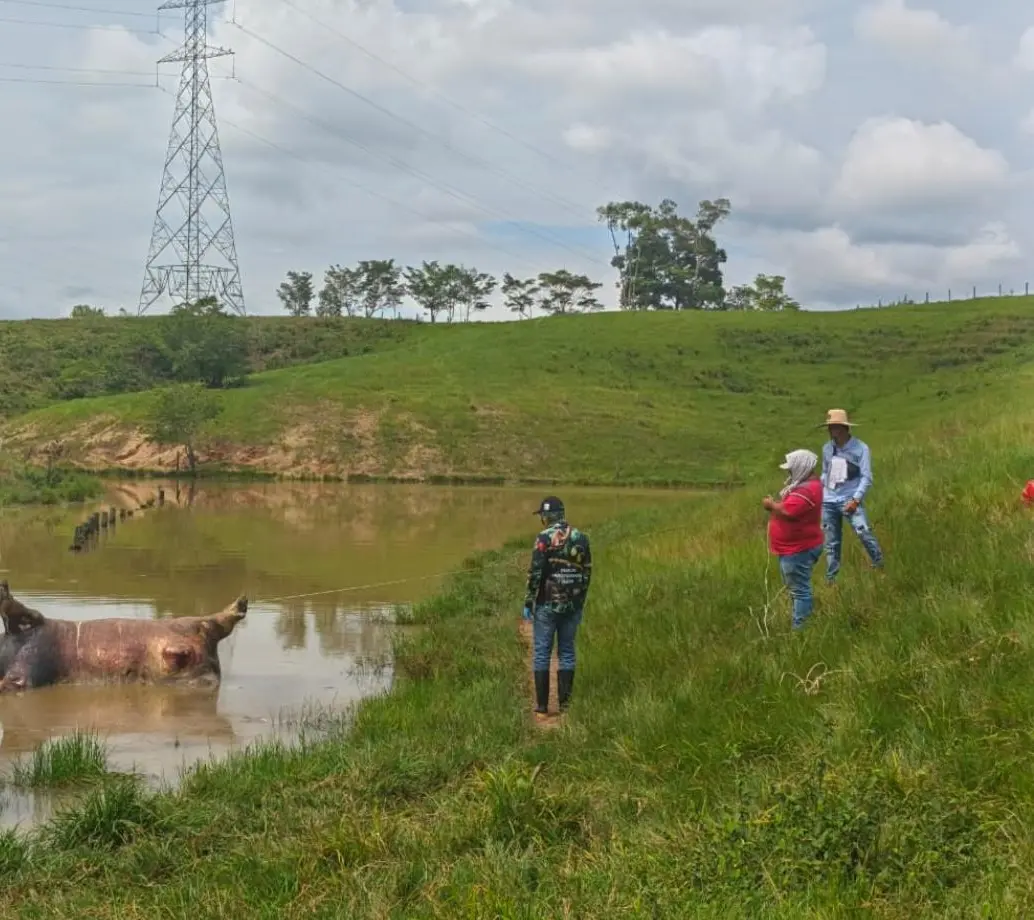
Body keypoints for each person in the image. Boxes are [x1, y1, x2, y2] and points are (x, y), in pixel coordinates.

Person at [522, 496, 592, 716]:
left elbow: (536, 573)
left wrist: (529, 600)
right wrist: (581, 600)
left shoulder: (544, 538)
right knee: (567, 651)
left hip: (547, 603)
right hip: (573, 604)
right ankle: (565, 706)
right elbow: (587, 571)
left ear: (546, 516)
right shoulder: (581, 537)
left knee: (542, 652)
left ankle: (542, 707)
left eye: (542, 515)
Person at [819, 408, 884, 583]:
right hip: (828, 499)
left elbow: (866, 477)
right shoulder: (827, 449)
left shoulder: (860, 448)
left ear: (844, 428)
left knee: (863, 531)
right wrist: (821, 485)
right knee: (831, 542)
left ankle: (879, 564)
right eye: (830, 427)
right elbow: (824, 472)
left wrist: (856, 499)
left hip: (850, 498)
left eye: (834, 426)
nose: (831, 430)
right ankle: (831, 579)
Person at [763, 449, 824, 629]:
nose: (789, 472)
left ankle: (801, 629)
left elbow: (788, 511)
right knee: (797, 588)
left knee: (800, 591)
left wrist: (771, 505)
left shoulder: (806, 490)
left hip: (798, 549)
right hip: (796, 547)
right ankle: (801, 622)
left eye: (791, 468)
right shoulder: (808, 486)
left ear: (800, 467)